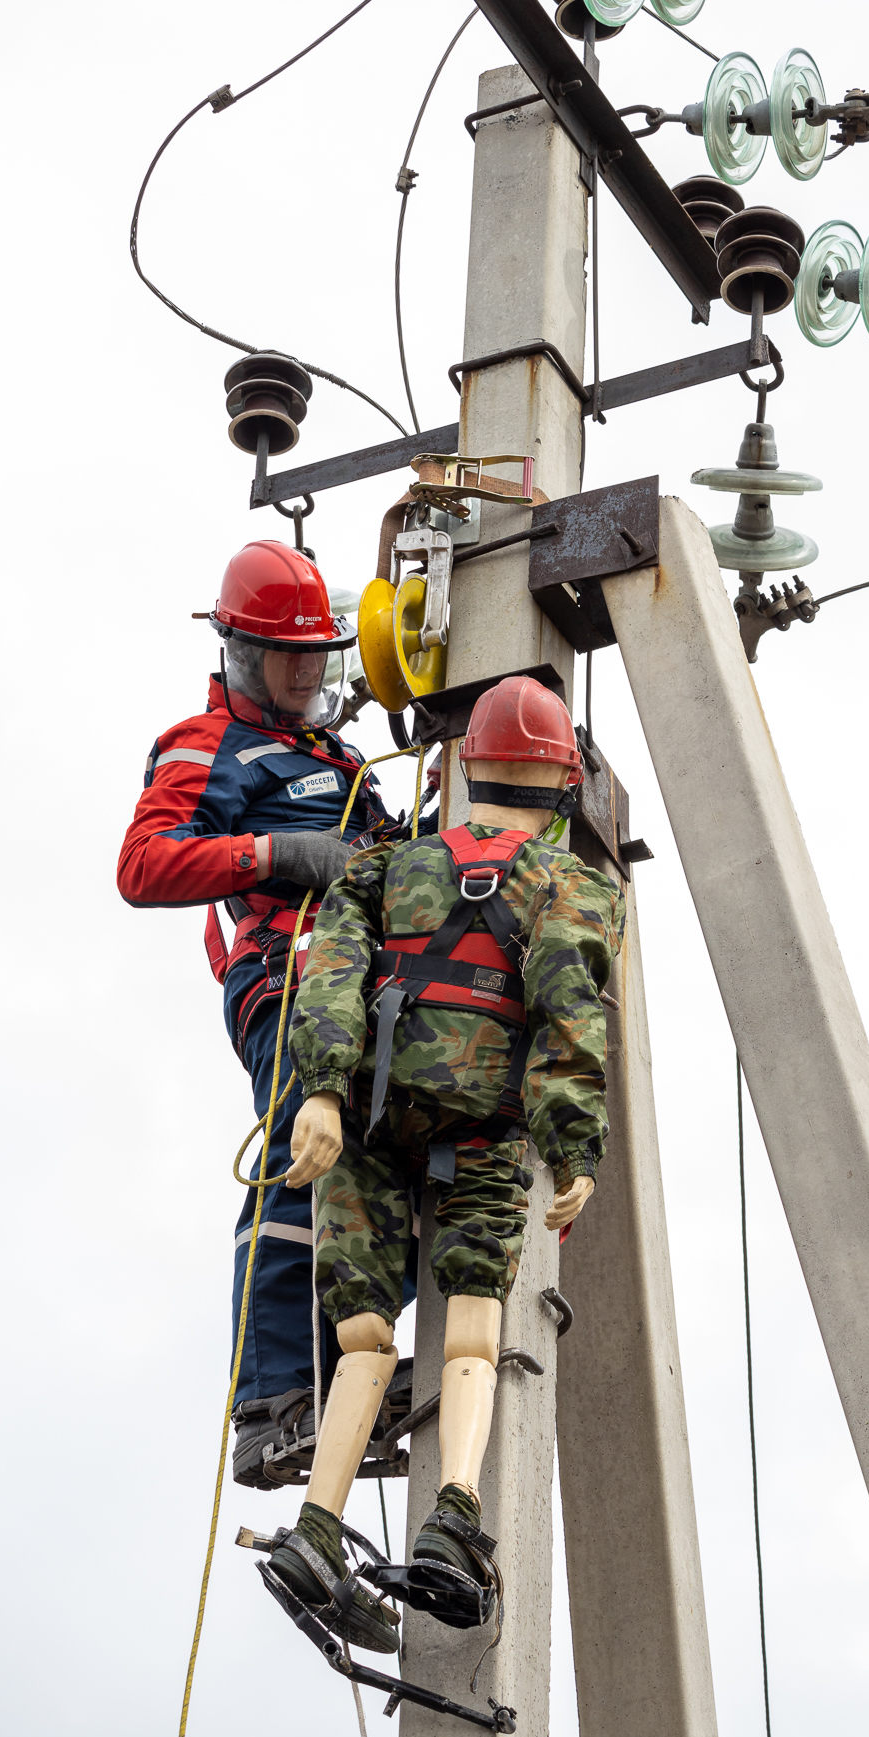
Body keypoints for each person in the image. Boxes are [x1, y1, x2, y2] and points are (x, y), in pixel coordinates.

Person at [260, 674, 625, 1652]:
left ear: (465, 767)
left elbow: (328, 972)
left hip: (369, 1121)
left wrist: (324, 1092)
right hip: (484, 1130)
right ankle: (452, 1519)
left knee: (367, 1334)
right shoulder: (574, 885)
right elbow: (570, 1018)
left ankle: (316, 1529)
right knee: (471, 1331)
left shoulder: (385, 866)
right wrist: (573, 1144)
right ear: (561, 787)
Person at [117, 537, 416, 1489]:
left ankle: (339, 1379)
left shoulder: (342, 760)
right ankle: (271, 1399)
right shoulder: (210, 747)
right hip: (286, 981)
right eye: (286, 658)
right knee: (304, 1156)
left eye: (316, 659)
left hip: (370, 989)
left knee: (396, 1161)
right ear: (242, 655)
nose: (304, 676)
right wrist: (274, 856)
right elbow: (144, 865)